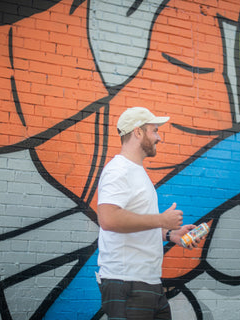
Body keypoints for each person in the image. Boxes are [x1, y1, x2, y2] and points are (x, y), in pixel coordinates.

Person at [96, 106, 202, 319]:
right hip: (127, 283)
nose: (159, 137)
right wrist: (162, 219)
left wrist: (171, 235)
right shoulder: (119, 170)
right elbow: (108, 218)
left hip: (148, 282)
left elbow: (137, 224)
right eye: (154, 130)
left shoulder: (137, 172)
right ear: (138, 132)